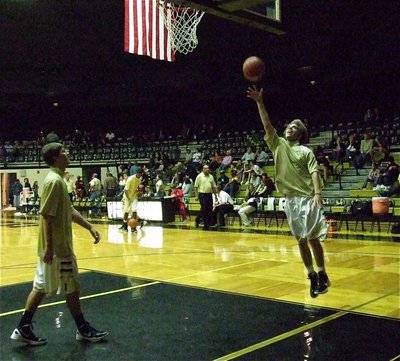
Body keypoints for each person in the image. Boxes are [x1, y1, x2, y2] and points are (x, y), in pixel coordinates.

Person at [10, 142, 108, 346]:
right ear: (55, 158)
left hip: (55, 248)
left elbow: (69, 211)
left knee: (43, 286)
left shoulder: (58, 180)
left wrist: (89, 226)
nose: (68, 152)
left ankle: (24, 327)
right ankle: (82, 329)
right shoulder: (54, 181)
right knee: (69, 285)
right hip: (58, 250)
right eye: (64, 151)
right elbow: (46, 216)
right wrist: (49, 247)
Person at [247, 85, 330, 298]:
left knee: (313, 239)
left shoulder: (305, 151)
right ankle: (312, 275)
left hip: (307, 199)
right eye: (289, 126)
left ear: (301, 134)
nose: (289, 128)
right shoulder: (278, 145)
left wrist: (318, 193)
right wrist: (259, 102)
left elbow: (314, 172)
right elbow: (267, 125)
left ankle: (322, 273)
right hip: (290, 200)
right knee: (300, 240)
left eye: (295, 127)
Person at [194, 164, 217, 230]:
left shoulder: (211, 177)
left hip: (209, 194)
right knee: (204, 209)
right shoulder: (199, 176)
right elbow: (196, 187)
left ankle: (206, 225)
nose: (207, 170)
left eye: (208, 168)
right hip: (202, 194)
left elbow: (214, 186)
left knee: (209, 209)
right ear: (203, 169)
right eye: (206, 168)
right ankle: (197, 219)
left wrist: (215, 195)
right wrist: (196, 196)